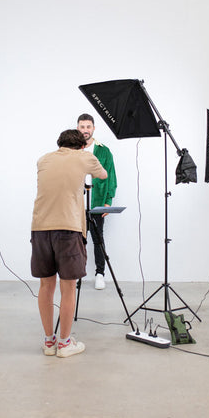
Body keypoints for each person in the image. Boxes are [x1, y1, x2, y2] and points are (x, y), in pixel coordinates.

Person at [31, 129, 107, 358]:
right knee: (68, 287)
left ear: (60, 144)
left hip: (40, 229)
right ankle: (64, 344)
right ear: (82, 146)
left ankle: (49, 342)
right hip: (68, 229)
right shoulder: (85, 157)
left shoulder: (43, 160)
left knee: (46, 286)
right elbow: (103, 175)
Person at [77, 114, 117, 290]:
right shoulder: (73, 150)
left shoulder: (103, 151)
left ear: (93, 128)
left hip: (97, 204)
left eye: (88, 127)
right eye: (82, 127)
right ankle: (76, 274)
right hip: (76, 205)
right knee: (77, 241)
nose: (85, 130)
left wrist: (108, 201)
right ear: (78, 128)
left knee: (98, 240)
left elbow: (111, 176)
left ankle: (100, 274)